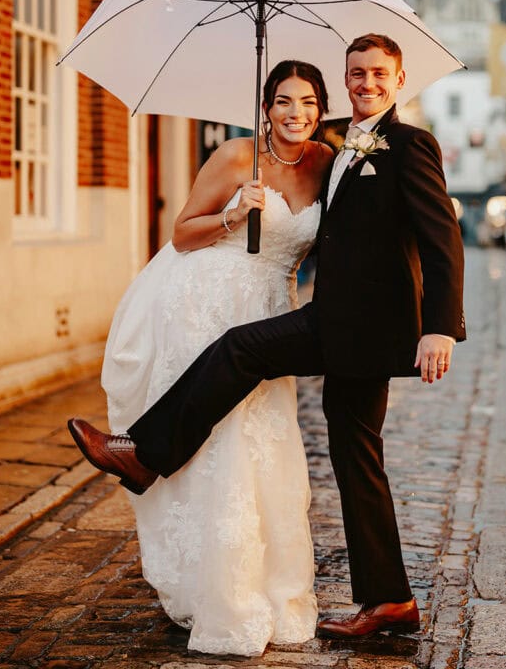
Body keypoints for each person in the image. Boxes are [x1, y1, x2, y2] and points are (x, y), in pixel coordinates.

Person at [69, 32, 466, 642]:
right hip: (339, 321)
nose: (367, 83)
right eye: (356, 73)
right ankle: (390, 601)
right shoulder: (335, 152)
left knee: (241, 349)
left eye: (378, 74)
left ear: (400, 79)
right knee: (354, 454)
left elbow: (442, 238)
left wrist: (439, 326)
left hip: (361, 327)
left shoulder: (410, 144)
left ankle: (145, 453)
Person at [97, 60, 333, 657]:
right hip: (206, 300)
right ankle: (219, 596)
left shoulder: (329, 164)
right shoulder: (235, 156)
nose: (294, 113)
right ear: (266, 107)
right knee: (219, 444)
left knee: (262, 441)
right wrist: (234, 213)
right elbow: (181, 233)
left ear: (321, 109)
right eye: (282, 101)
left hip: (271, 307)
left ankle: (270, 589)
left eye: (306, 102)